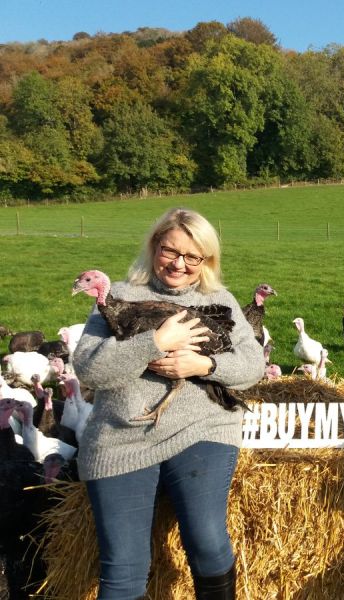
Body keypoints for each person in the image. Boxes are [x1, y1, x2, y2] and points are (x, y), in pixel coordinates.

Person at [72, 207, 265, 600]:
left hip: (201, 428)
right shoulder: (119, 297)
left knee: (207, 539)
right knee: (122, 569)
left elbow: (252, 366)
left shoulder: (222, 301)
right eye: (169, 251)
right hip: (120, 437)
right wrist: (155, 343)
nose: (179, 264)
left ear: (206, 260)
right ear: (153, 247)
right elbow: (90, 371)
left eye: (192, 257)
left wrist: (204, 364)